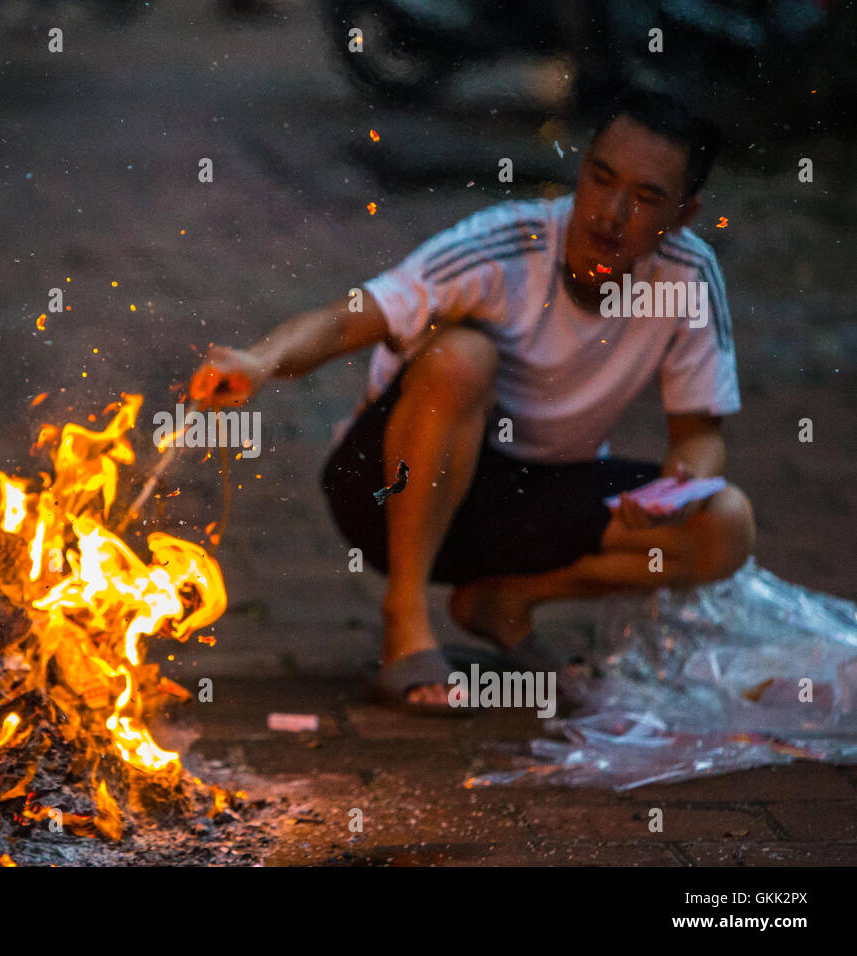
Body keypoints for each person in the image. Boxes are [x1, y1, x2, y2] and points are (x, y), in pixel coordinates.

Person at [187, 86, 756, 715]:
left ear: (682, 215)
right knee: (462, 356)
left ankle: (504, 602)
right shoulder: (502, 246)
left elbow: (699, 432)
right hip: (387, 490)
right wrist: (260, 362)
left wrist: (685, 481)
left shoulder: (688, 278)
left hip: (529, 505)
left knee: (724, 524)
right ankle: (405, 624)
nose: (611, 212)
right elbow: (348, 319)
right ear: (581, 171)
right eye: (601, 178)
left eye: (646, 198)